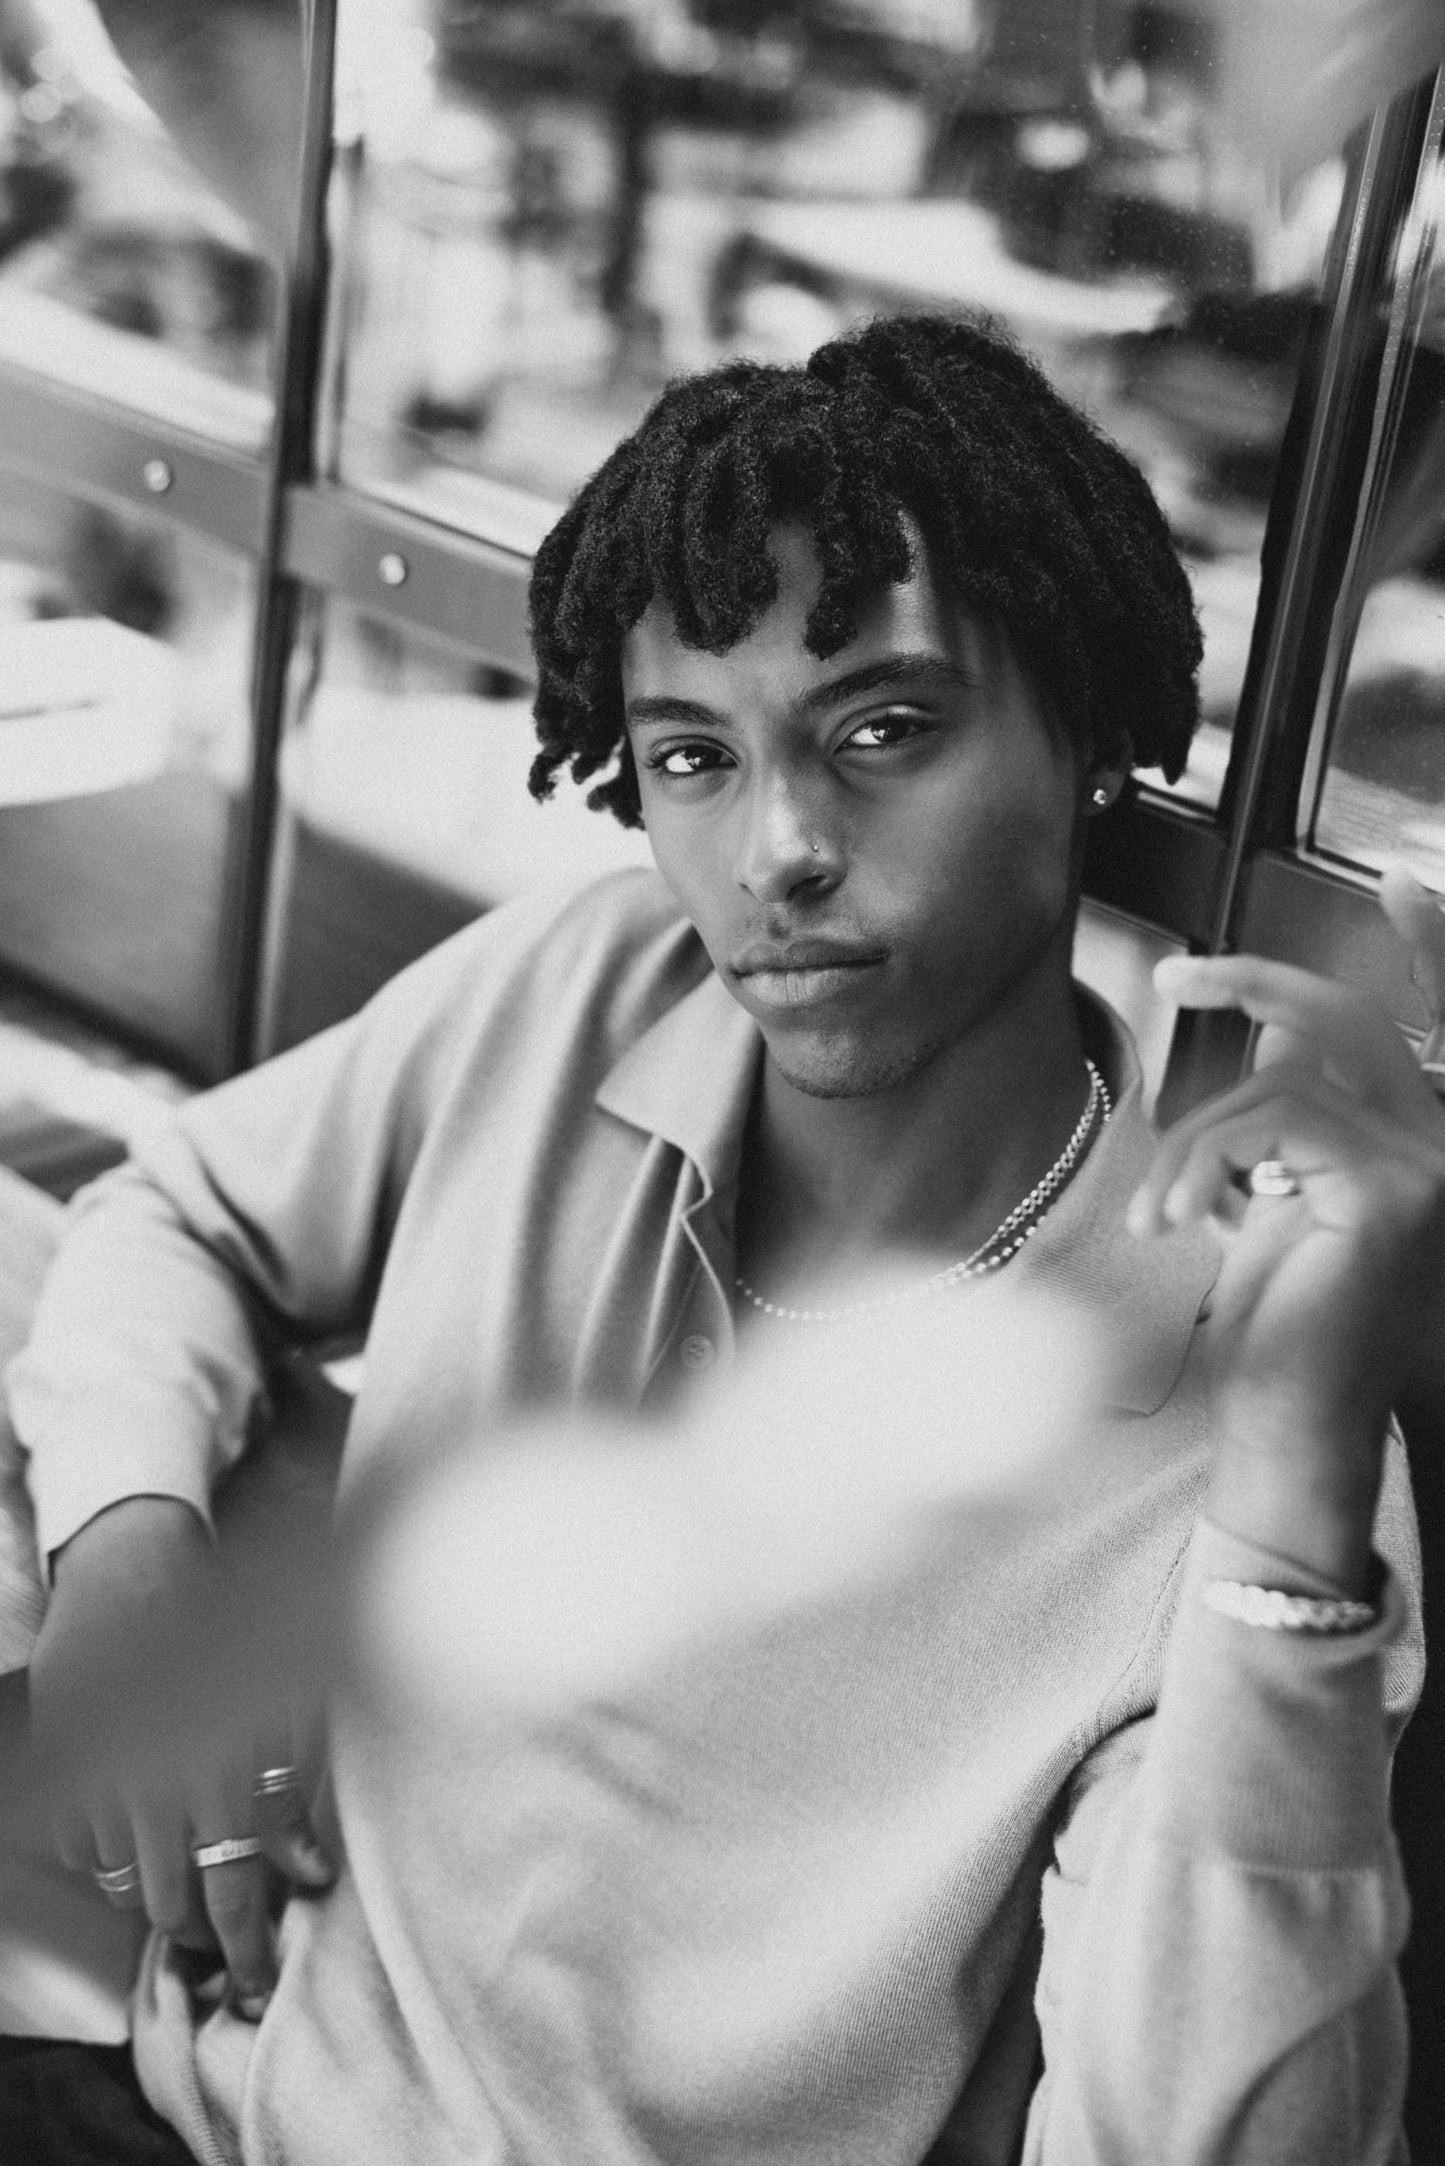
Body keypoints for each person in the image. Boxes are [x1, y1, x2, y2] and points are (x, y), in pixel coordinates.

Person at [1, 311, 1441, 2166]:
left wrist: (1305, 1472)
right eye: (691, 756)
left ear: (1085, 730)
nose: (776, 849)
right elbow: (176, 1210)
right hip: (197, 2110)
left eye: (884, 729)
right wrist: (129, 1542)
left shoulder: (1235, 1442)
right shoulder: (585, 982)